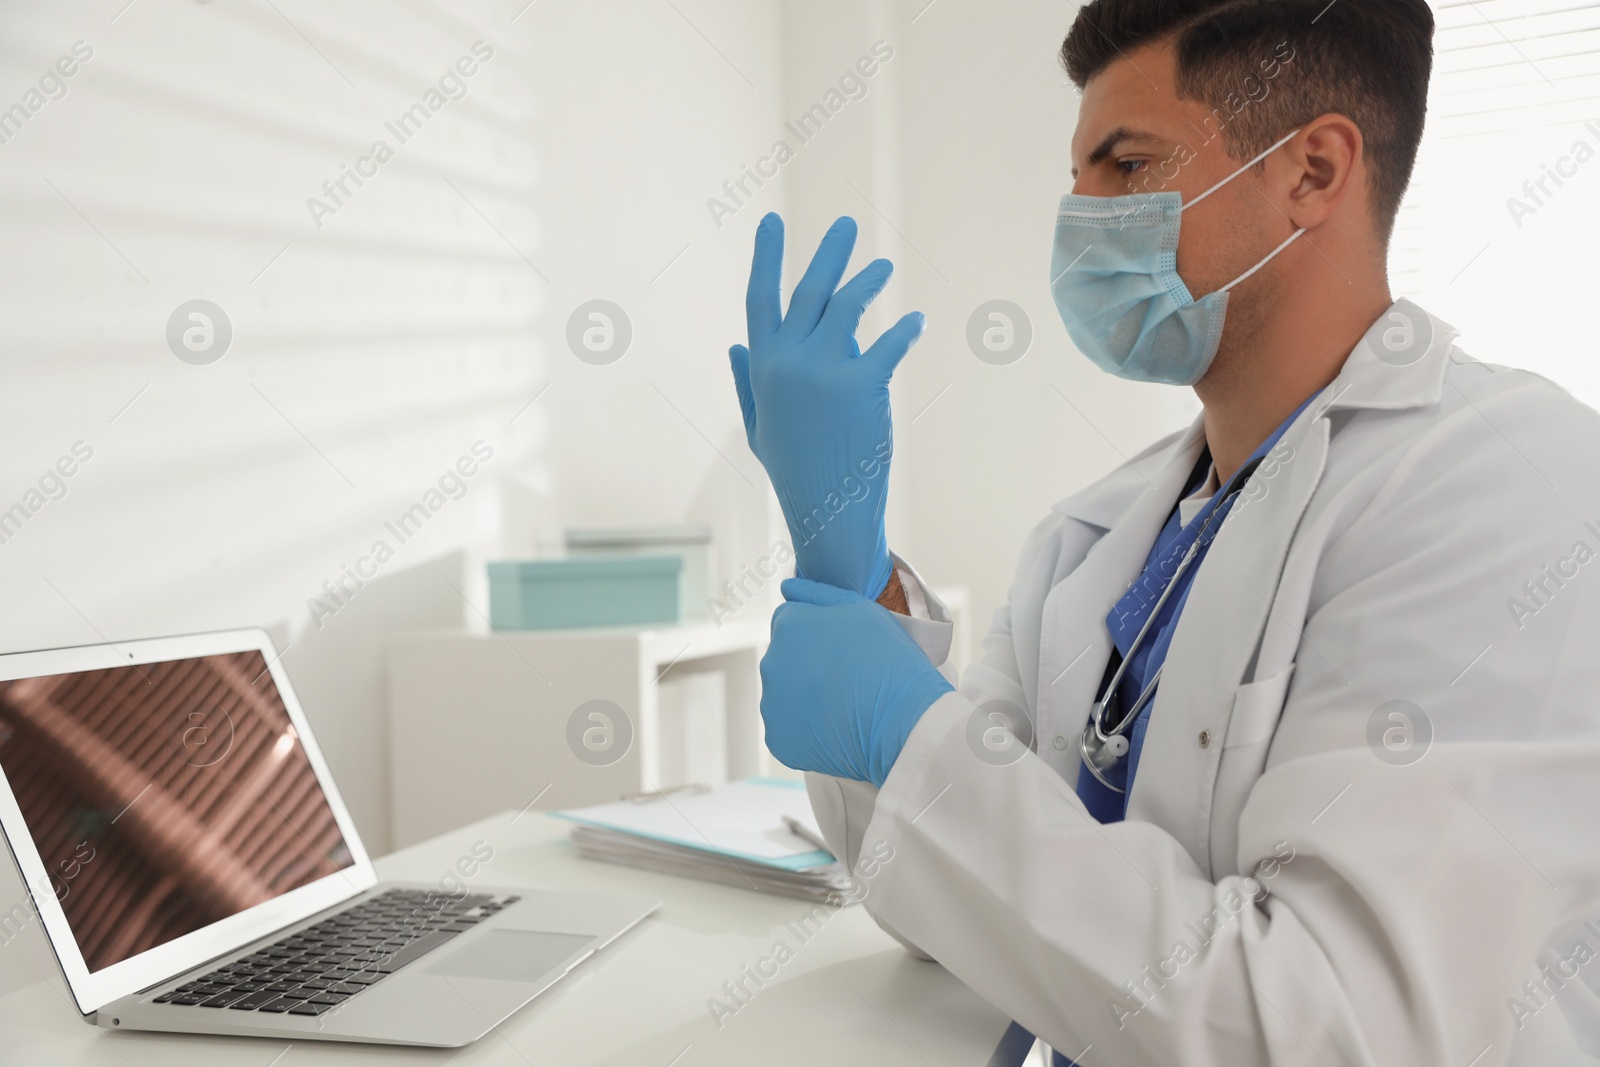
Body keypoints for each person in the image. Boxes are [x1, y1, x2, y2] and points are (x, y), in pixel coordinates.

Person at [727, 0, 1600, 1064]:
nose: (1079, 214)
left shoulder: (1506, 485)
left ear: (1312, 173)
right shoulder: (1097, 535)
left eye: (1127, 166)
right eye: (1078, 176)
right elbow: (934, 900)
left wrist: (909, 733)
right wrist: (847, 566)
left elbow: (1321, 1026)